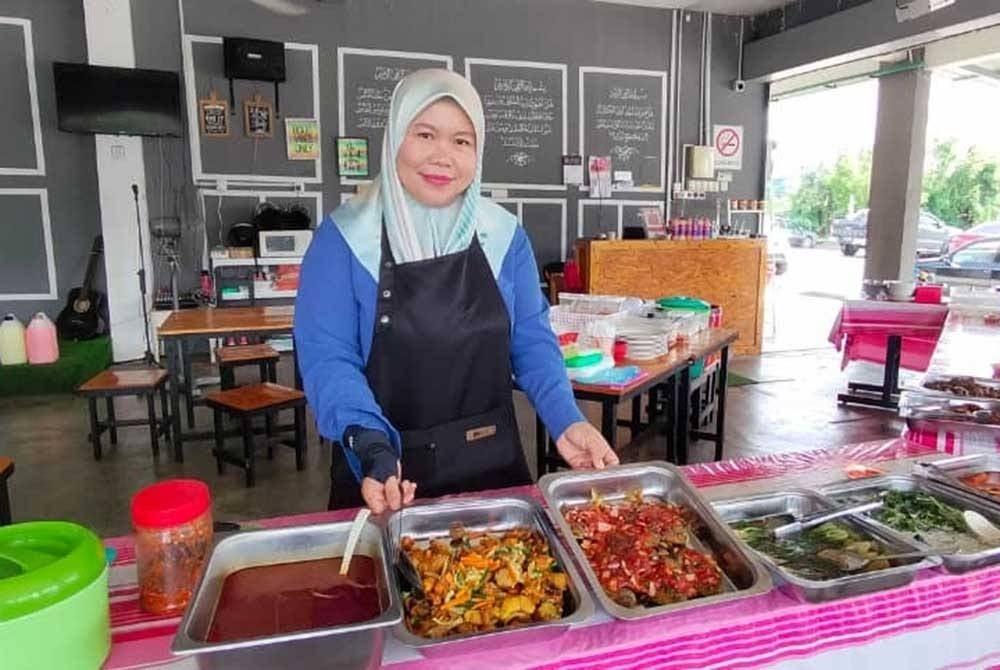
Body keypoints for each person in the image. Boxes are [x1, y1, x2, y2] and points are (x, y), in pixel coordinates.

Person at [295, 69, 617, 513]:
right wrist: (369, 444)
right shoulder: (344, 240)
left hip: (493, 471)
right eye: (425, 134)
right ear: (394, 138)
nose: (442, 156)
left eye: (461, 141)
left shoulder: (503, 236)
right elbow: (328, 359)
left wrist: (566, 419)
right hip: (384, 480)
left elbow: (532, 340)